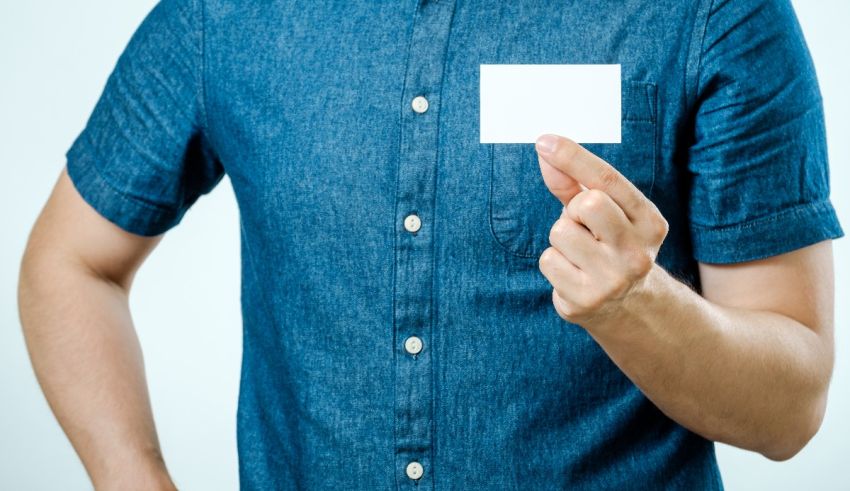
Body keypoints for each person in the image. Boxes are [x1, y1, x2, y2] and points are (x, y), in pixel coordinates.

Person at [17, 0, 843, 489]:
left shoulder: (712, 14)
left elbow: (790, 406)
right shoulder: (224, 17)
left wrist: (640, 305)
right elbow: (70, 264)